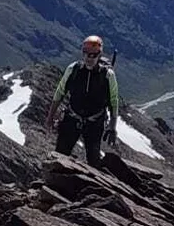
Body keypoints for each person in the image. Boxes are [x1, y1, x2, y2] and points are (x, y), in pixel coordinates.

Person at [48, 34, 120, 163]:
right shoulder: (73, 69)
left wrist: (112, 127)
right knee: (60, 156)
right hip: (72, 118)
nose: (90, 58)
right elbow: (59, 93)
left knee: (93, 159)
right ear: (83, 53)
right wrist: (50, 116)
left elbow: (114, 102)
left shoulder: (108, 75)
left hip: (95, 122)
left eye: (94, 55)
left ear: (99, 54)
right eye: (87, 54)